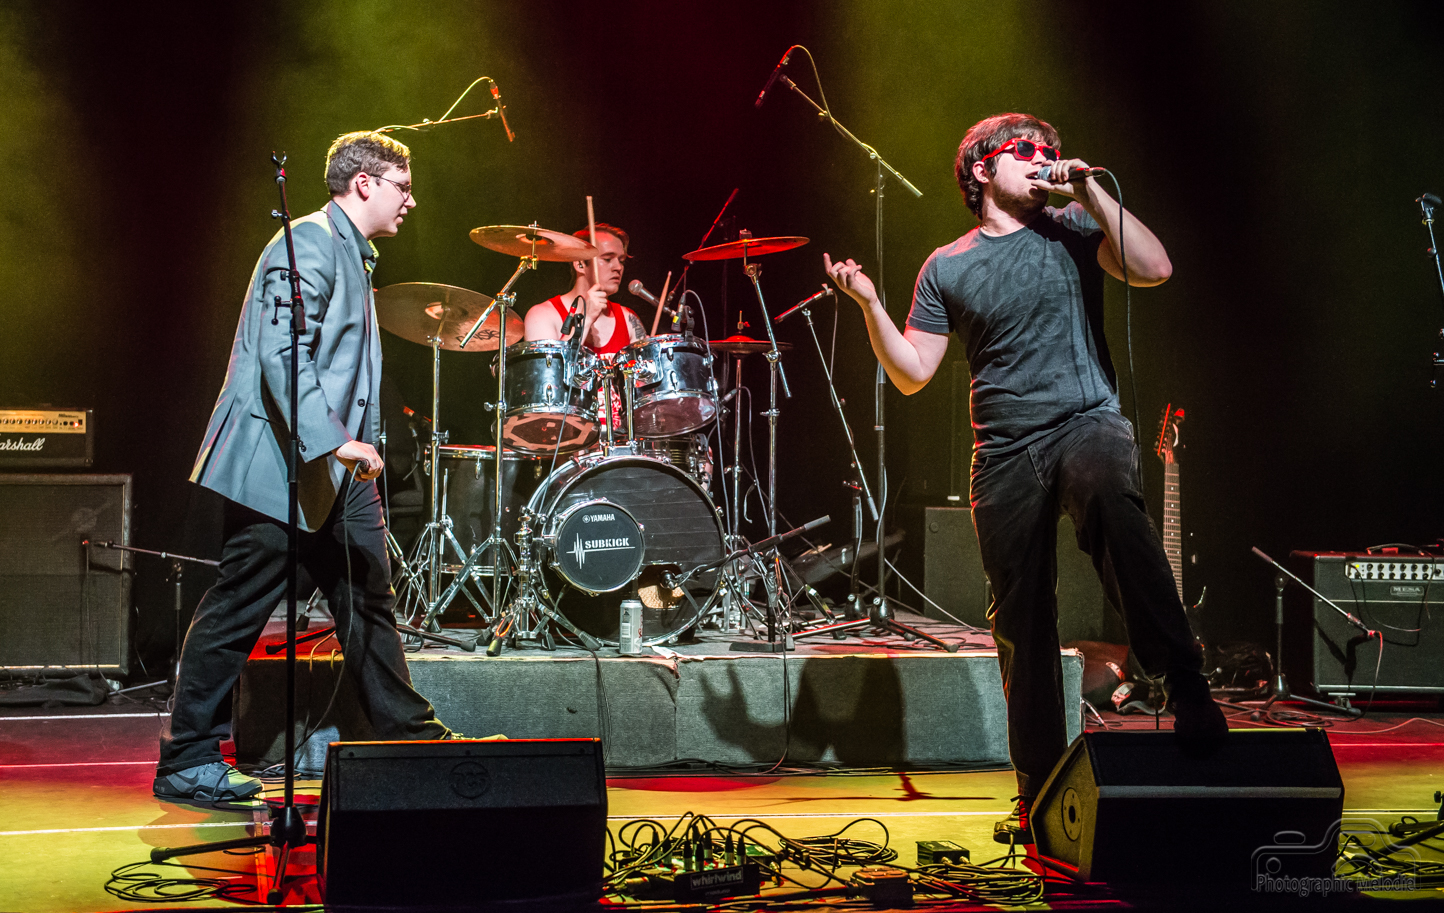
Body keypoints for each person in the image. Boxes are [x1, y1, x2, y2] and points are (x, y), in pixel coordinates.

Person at [824, 113, 1227, 844]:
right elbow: (912, 372)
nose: (1045, 157)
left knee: (1112, 498)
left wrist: (1091, 188)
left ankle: (1184, 680)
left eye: (1050, 149)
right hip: (1005, 450)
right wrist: (870, 305)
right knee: (1022, 617)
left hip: (1085, 420)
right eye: (1027, 150)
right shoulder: (947, 266)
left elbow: (1155, 268)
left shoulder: (1074, 228)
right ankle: (1039, 791)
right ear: (982, 169)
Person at [156, 131, 453, 803]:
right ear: (364, 183)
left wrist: (351, 448)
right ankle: (186, 760)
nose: (411, 201)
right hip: (280, 463)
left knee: (367, 597)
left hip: (334, 471)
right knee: (239, 605)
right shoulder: (308, 243)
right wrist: (335, 442)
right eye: (404, 188)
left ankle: (410, 736)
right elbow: (282, 355)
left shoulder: (352, 253)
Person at [523, 223, 648, 354]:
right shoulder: (542, 316)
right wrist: (585, 320)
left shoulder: (628, 319)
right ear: (580, 264)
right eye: (607, 259)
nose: (618, 267)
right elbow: (549, 366)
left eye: (621, 261)